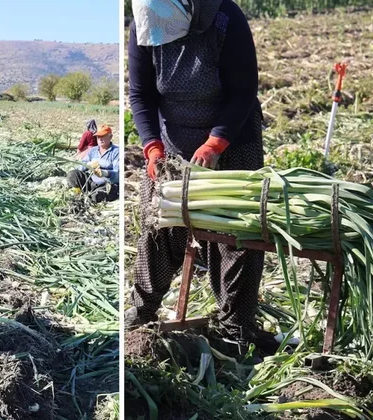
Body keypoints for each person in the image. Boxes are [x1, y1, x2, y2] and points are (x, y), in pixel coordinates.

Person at [126, 0, 279, 353]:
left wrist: (216, 142)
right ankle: (142, 311)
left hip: (232, 137)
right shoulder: (146, 23)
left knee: (235, 230)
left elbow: (243, 92)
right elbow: (141, 94)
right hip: (172, 142)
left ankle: (234, 326)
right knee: (159, 225)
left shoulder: (225, 19)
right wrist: (151, 146)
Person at [67, 124, 120, 203]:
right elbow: (82, 165)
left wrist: (105, 173)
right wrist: (88, 165)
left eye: (104, 136)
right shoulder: (93, 150)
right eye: (98, 137)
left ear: (110, 137)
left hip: (106, 184)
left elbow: (118, 174)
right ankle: (83, 190)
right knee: (72, 174)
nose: (100, 139)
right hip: (91, 181)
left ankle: (94, 194)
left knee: (96, 197)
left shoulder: (116, 152)